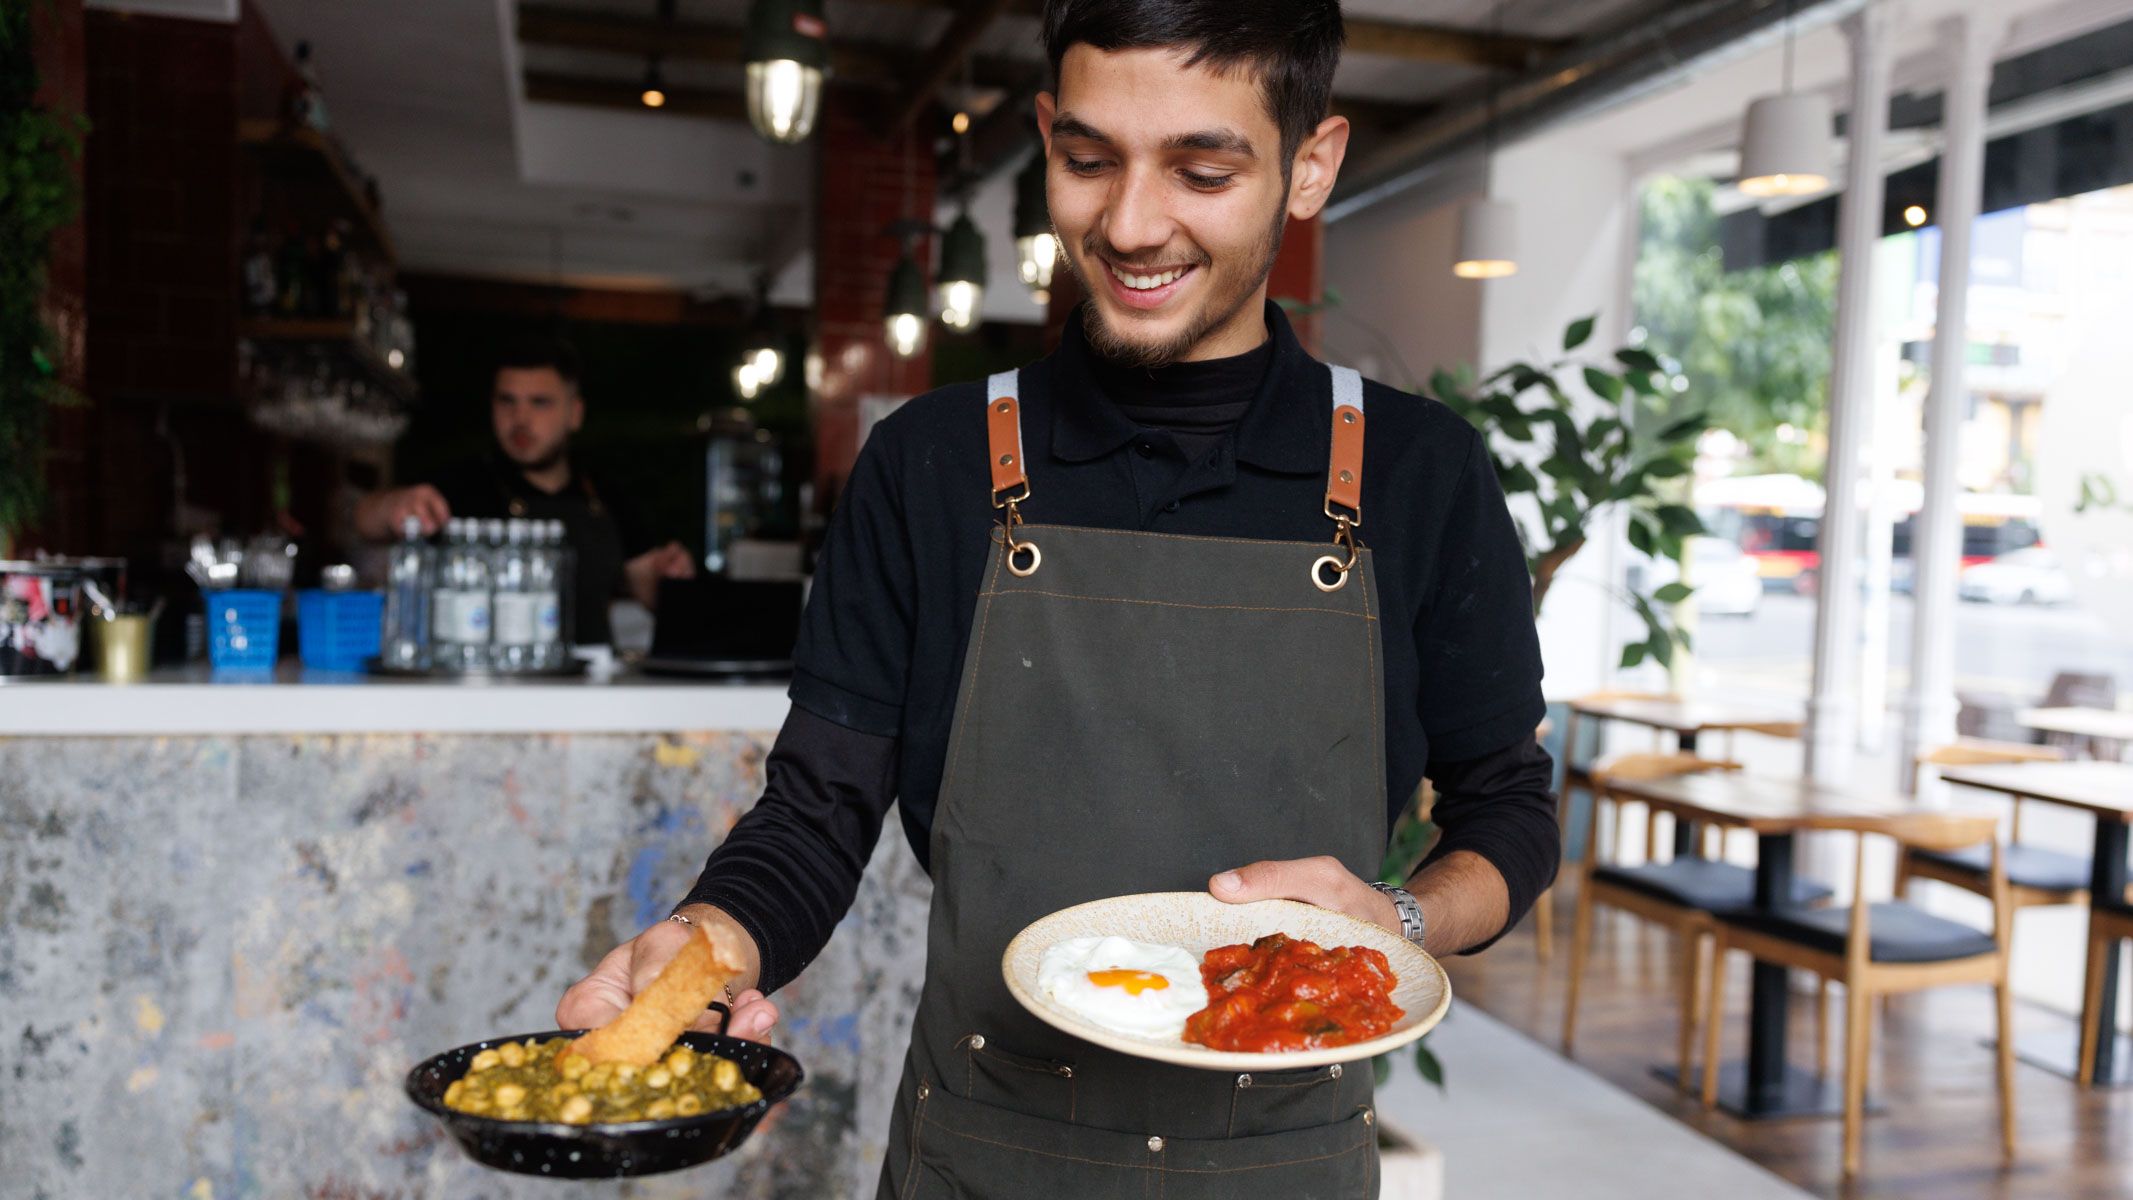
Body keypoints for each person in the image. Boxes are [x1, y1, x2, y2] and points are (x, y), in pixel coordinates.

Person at [561, 1, 1558, 1192]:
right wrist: (704, 941)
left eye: (1201, 170)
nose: (1129, 225)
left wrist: (1398, 920)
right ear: (1044, 136)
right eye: (1088, 161)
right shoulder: (929, 463)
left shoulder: (1418, 473)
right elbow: (819, 810)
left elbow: (1511, 812)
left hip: (1280, 1159)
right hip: (979, 1151)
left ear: (1311, 166)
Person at [354, 335, 694, 645]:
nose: (520, 418)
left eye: (539, 402)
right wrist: (392, 506)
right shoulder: (461, 485)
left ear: (574, 414)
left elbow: (649, 589)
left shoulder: (607, 495)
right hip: (479, 681)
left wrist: (670, 575)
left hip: (591, 686)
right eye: (507, 401)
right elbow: (365, 521)